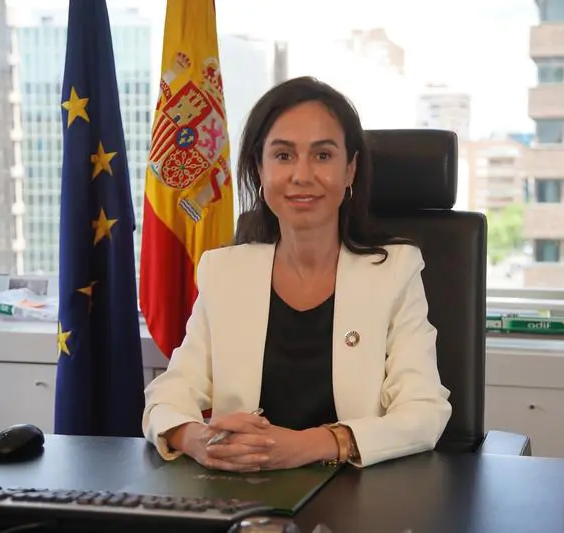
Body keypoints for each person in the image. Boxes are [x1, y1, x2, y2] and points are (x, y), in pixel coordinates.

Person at [142, 76, 452, 471]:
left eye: (322, 155)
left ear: (350, 169)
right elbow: (167, 396)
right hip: (244, 490)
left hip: (358, 492)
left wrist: (312, 445)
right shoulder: (224, 273)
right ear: (260, 168)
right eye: (283, 155)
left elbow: (424, 411)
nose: (302, 175)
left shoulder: (394, 271)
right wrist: (197, 439)